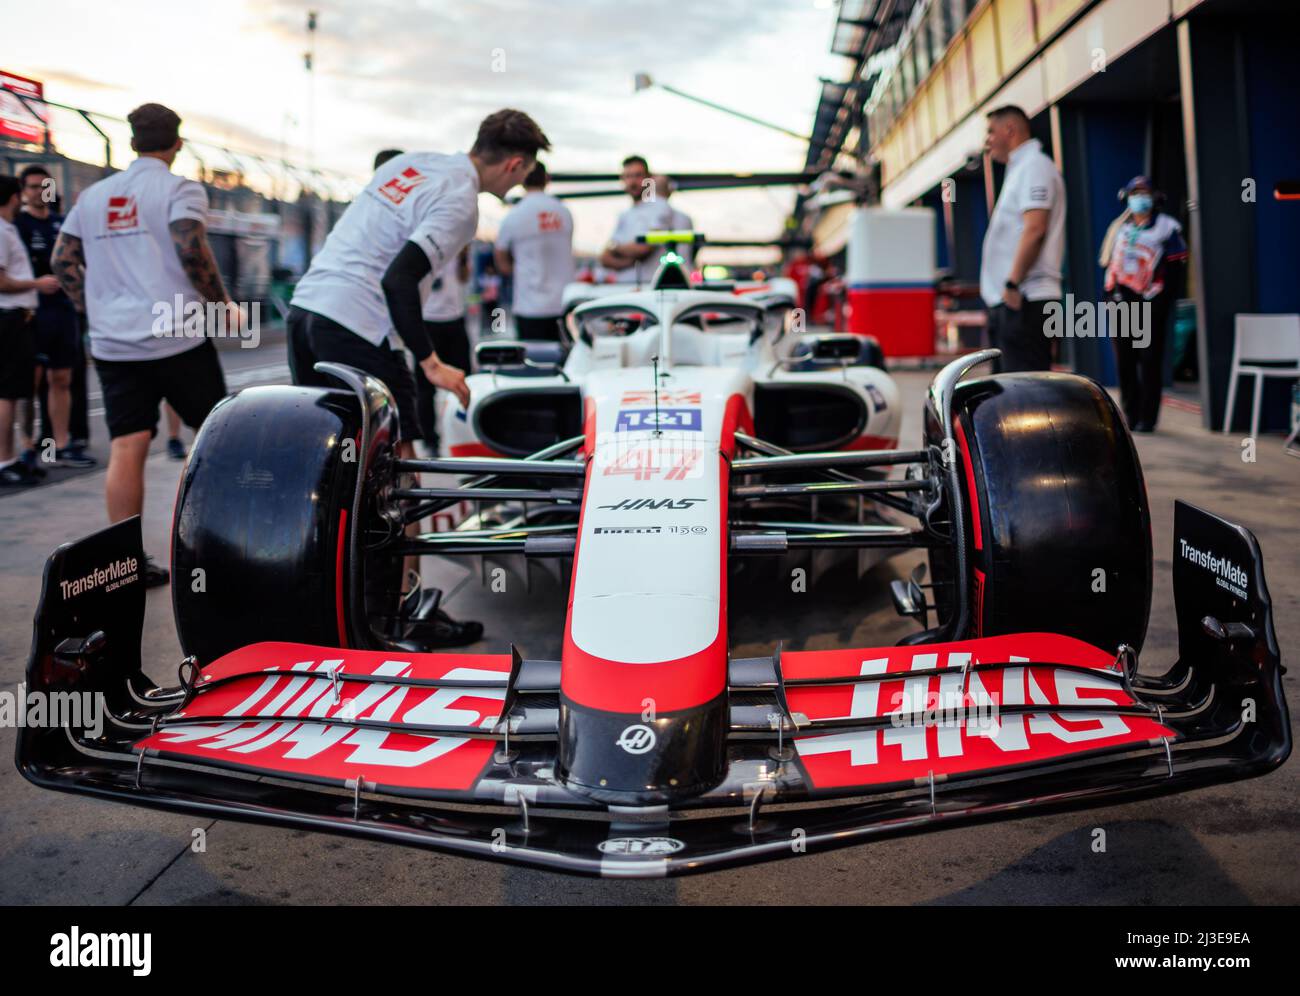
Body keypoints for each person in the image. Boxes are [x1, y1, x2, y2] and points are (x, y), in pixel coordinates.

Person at [287, 108, 550, 647]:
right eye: (524, 174)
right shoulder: (461, 201)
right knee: (400, 473)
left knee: (333, 470)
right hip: (356, 324)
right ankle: (408, 614)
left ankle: (332, 603)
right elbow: (398, 279)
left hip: (306, 313)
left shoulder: (415, 163)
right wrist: (430, 362)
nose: (521, 182)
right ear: (516, 163)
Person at [51, 103, 234, 586]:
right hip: (178, 336)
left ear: (132, 141)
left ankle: (125, 563)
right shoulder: (179, 188)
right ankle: (203, 548)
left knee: (127, 445)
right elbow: (190, 246)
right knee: (214, 441)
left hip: (115, 344)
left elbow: (62, 259)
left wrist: (91, 309)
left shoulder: (93, 196)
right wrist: (222, 304)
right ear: (177, 143)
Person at [15, 165, 96, 470]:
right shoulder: (17, 225)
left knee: (61, 379)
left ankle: (60, 446)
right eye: (33, 186)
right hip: (31, 313)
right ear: (23, 191)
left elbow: (80, 262)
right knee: (29, 383)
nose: (39, 192)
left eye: (44, 186)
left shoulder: (62, 224)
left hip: (63, 312)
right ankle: (27, 447)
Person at [979, 105, 1066, 372]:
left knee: (1025, 395)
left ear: (1010, 130)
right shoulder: (1020, 169)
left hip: (1025, 299)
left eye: (991, 132)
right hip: (1015, 300)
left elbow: (1035, 229)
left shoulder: (1035, 166)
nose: (987, 140)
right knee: (1011, 394)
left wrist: (1012, 283)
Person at [1101, 176, 1188, 432]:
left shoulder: (1167, 227)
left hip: (1150, 303)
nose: (1140, 197)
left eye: (1144, 192)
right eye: (1135, 192)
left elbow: (1175, 269)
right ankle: (1131, 415)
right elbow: (1109, 265)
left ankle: (1148, 418)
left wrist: (1161, 302)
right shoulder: (1120, 228)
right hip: (1120, 302)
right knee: (1125, 362)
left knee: (1149, 361)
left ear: (1155, 197)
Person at [1, 175, 62, 486]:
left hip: (23, 319)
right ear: (15, 197)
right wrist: (37, 284)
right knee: (8, 394)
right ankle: (5, 461)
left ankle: (21, 455)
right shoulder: (3, 230)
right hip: (10, 318)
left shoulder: (11, 228)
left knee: (20, 391)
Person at [493, 161, 573, 340]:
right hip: (564, 303)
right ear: (547, 179)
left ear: (521, 179)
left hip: (530, 306)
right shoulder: (564, 212)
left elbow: (502, 262)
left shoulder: (514, 215)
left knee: (534, 363)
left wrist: (524, 271)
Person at [417, 246, 471, 447]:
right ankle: (430, 439)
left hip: (454, 319)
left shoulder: (458, 247)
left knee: (465, 380)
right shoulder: (424, 245)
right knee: (424, 388)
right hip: (428, 320)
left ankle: (465, 432)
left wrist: (463, 256)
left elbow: (464, 277)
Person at [598, 155, 675, 284]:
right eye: (628, 176)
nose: (633, 182)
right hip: (624, 288)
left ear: (649, 178)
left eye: (638, 175)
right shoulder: (624, 214)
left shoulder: (660, 207)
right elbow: (604, 258)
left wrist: (616, 248)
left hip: (650, 288)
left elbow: (643, 248)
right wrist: (630, 259)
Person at [650, 173, 694, 270]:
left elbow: (646, 247)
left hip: (660, 276)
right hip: (684, 273)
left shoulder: (650, 213)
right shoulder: (686, 218)